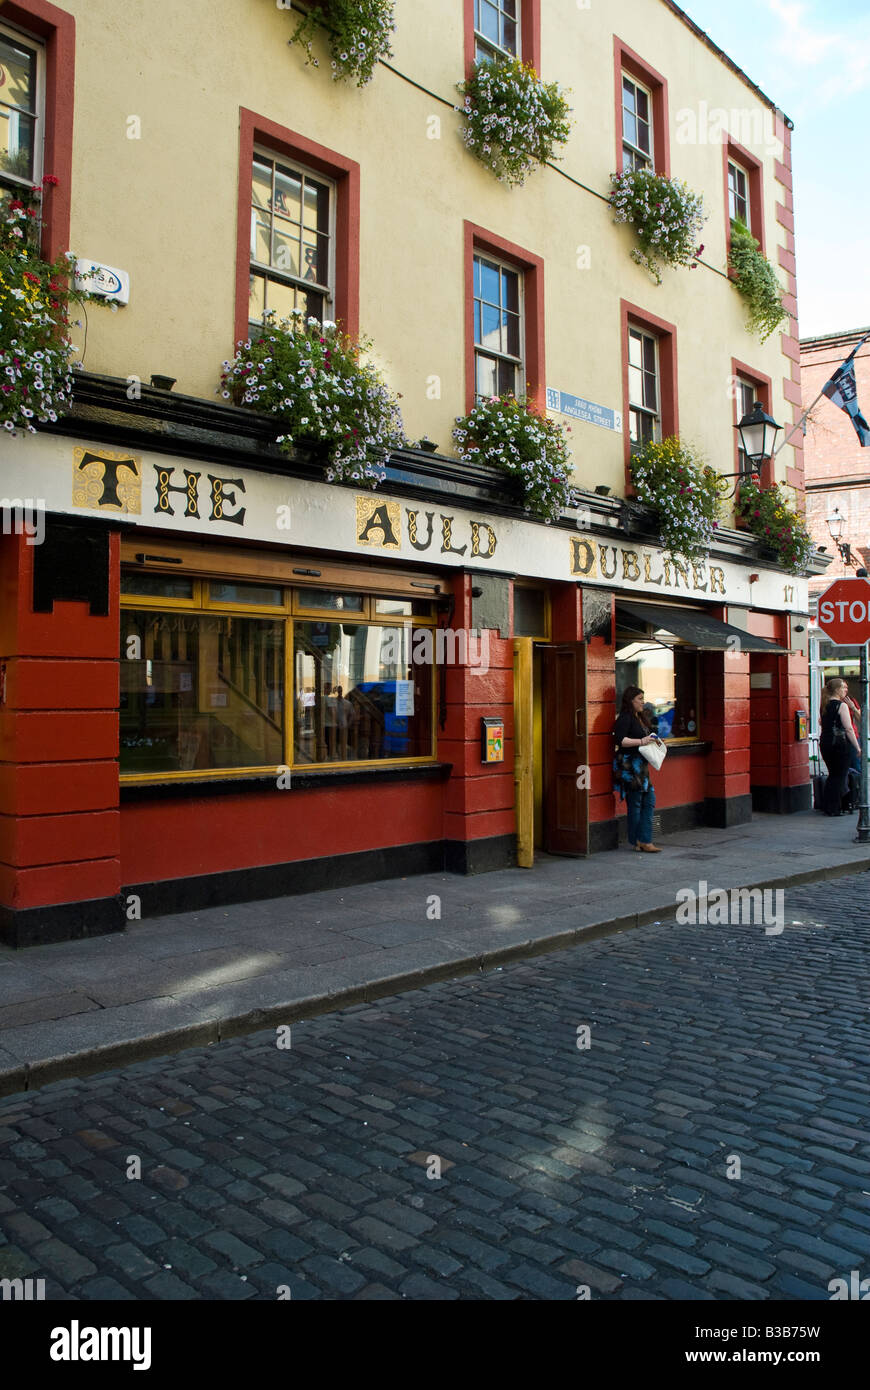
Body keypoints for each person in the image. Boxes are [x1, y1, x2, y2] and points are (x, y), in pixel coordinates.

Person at [613, 685, 663, 852]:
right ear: (630, 700)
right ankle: (641, 841)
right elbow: (620, 740)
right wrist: (642, 741)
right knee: (636, 802)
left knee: (648, 801)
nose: (643, 702)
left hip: (641, 765)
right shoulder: (625, 718)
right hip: (630, 766)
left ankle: (641, 840)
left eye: (643, 698)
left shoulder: (639, 717)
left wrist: (653, 739)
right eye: (639, 699)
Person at [819, 677, 860, 816]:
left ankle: (828, 806)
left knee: (833, 776)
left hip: (825, 743)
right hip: (840, 744)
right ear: (837, 689)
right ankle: (833, 808)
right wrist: (858, 747)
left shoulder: (824, 705)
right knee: (839, 777)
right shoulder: (841, 706)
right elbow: (848, 729)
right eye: (844, 687)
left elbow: (822, 723)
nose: (846, 690)